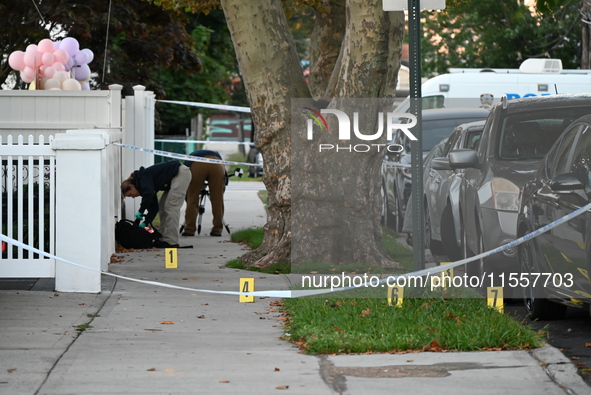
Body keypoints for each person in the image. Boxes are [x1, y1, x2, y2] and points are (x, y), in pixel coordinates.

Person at [121, 160, 192, 248]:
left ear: (131, 186)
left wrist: (141, 210)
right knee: (162, 207)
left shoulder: (142, 177)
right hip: (173, 178)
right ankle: (161, 238)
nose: (133, 197)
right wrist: (145, 222)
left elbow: (149, 194)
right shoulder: (145, 186)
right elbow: (154, 208)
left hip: (180, 174)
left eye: (130, 194)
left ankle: (171, 241)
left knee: (171, 207)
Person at [182, 150, 226, 237]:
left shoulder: (190, 157)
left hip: (197, 163)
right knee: (217, 199)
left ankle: (189, 229)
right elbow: (224, 181)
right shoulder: (217, 155)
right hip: (217, 163)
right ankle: (217, 229)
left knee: (193, 198)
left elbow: (186, 174)